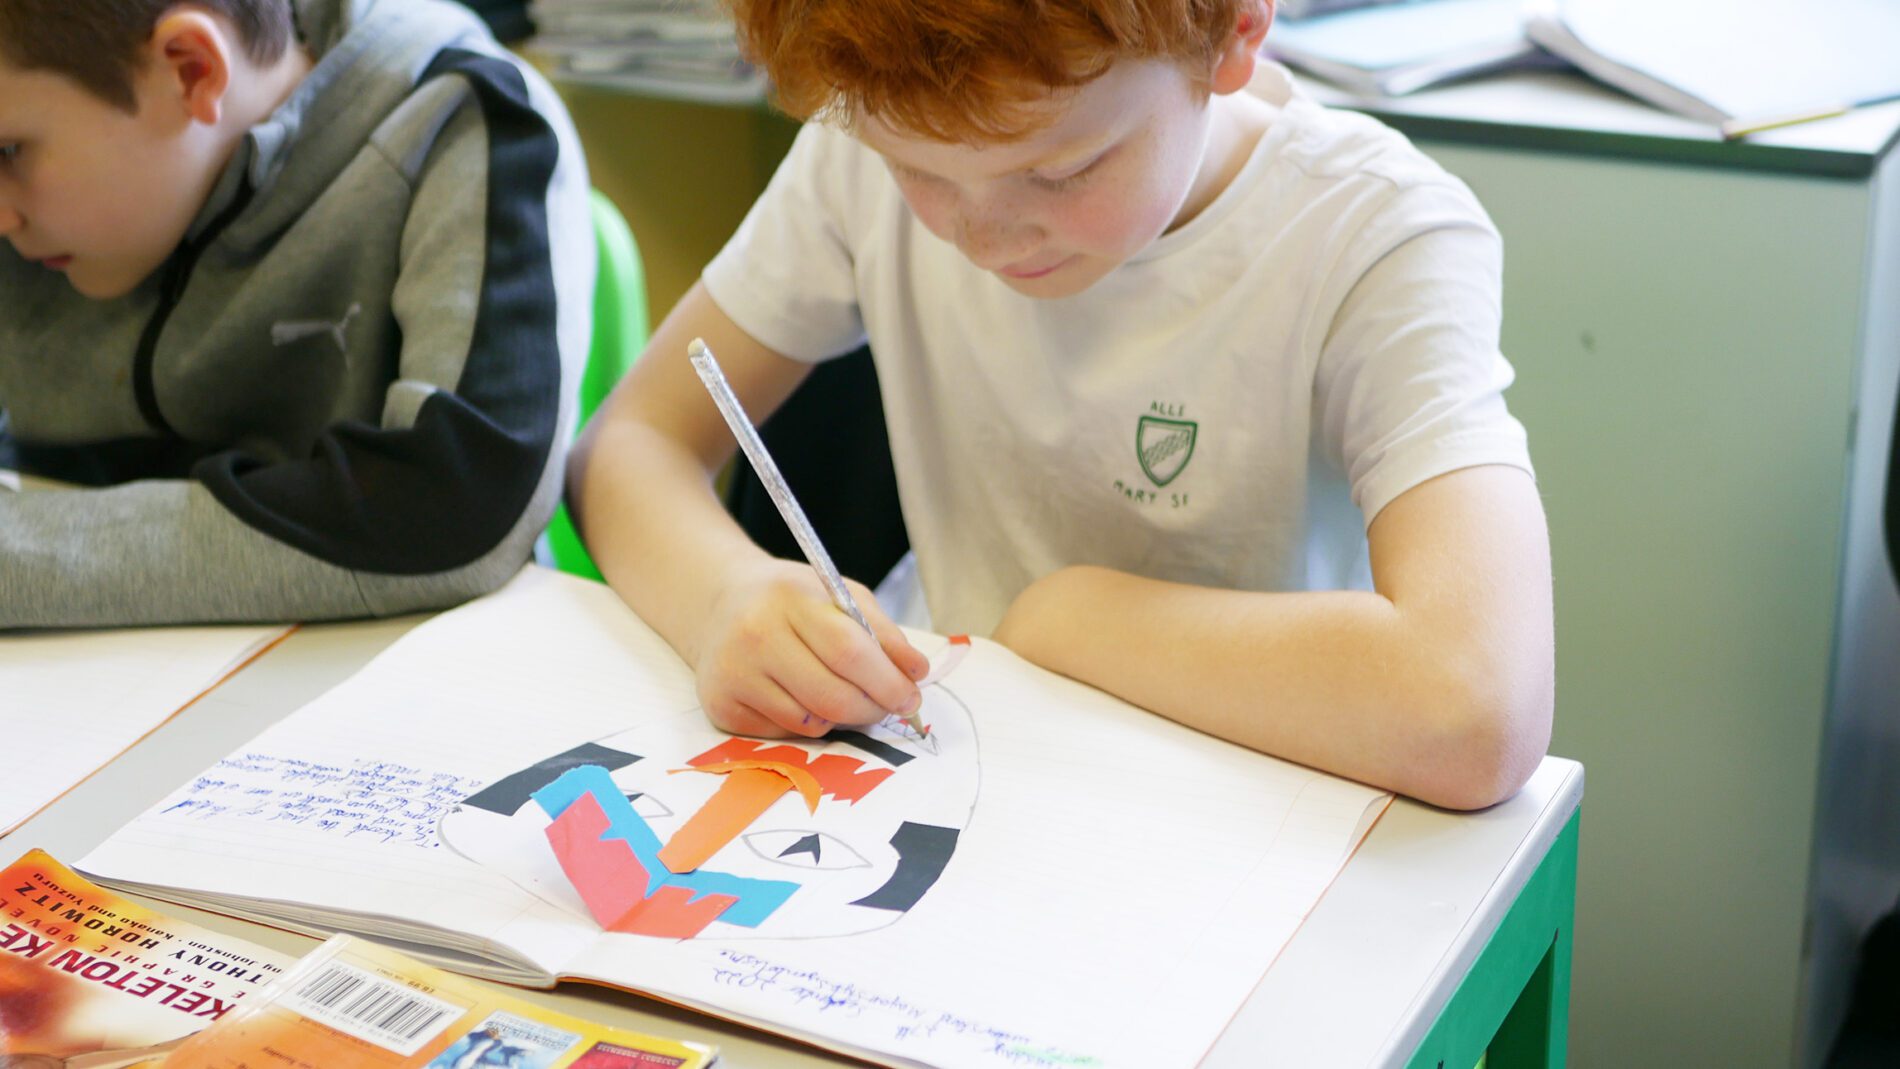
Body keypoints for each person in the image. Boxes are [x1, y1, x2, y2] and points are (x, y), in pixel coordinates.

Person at [567, 0, 1552, 810]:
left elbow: (1475, 704)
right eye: (918, 172)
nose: (984, 233)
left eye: (1062, 169)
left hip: (1247, 804)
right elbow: (631, 441)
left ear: (1234, 37)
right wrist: (724, 596)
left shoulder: (1374, 233)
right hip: (956, 777)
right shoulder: (856, 148)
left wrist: (1063, 618)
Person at [0, 0, 593, 629]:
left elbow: (462, 506)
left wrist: (25, 557)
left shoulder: (467, 116)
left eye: (9, 149)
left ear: (191, 71)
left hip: (398, 671)